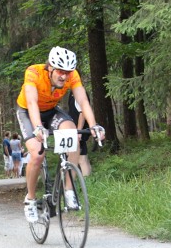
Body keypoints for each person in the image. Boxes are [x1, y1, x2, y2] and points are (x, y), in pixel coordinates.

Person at [16, 46, 105, 223]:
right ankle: (31, 199)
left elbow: (83, 101)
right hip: (28, 111)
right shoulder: (33, 72)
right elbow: (32, 103)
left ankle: (69, 189)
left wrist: (94, 126)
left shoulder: (73, 76)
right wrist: (38, 128)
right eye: (60, 72)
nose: (64, 76)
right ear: (50, 68)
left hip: (51, 111)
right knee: (37, 154)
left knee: (73, 137)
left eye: (67, 72)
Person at [68, 91, 92, 176]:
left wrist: (79, 131)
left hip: (79, 131)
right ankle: (90, 181)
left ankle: (88, 183)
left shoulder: (79, 94)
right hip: (76, 130)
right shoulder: (72, 94)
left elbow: (83, 113)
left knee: (82, 158)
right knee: (83, 157)